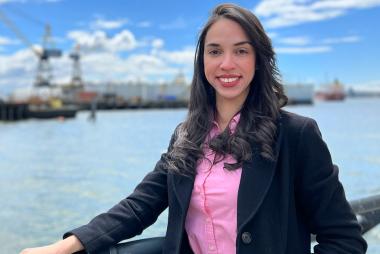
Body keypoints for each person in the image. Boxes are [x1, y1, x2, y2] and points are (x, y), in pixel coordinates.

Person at [21, 3, 367, 254]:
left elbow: (344, 240)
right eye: (215, 51)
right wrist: (65, 246)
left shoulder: (296, 135)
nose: (226, 64)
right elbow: (139, 205)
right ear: (202, 61)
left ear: (259, 60)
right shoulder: (187, 135)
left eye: (241, 51)